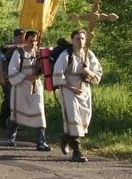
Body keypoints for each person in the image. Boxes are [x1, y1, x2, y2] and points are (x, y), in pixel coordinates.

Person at [53, 29, 103, 162]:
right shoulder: (66, 54)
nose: (80, 41)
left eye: (82, 38)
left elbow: (97, 73)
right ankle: (77, 151)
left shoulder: (89, 55)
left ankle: (65, 137)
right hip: (68, 88)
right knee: (74, 117)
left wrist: (89, 72)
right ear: (72, 40)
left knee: (83, 118)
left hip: (84, 89)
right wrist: (71, 88)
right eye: (77, 39)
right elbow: (58, 73)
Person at [7, 30, 50, 151]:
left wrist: (41, 67)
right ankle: (10, 138)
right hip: (21, 87)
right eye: (30, 40)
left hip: (36, 87)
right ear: (26, 40)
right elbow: (12, 70)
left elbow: (46, 69)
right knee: (16, 113)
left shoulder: (39, 54)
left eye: (35, 40)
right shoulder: (19, 52)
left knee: (40, 113)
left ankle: (41, 142)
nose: (33, 43)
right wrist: (26, 77)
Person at [0, 29, 24, 130]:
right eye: (20, 37)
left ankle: (15, 122)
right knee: (9, 99)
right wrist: (1, 77)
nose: (22, 39)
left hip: (19, 78)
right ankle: (3, 120)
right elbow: (0, 61)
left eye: (23, 36)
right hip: (7, 77)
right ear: (15, 37)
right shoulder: (6, 48)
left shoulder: (23, 48)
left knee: (18, 100)